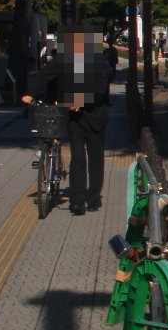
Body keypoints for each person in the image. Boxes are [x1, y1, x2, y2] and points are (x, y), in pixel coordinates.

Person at [21, 25, 110, 216]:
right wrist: (29, 93)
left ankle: (93, 198)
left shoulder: (97, 60)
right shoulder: (63, 59)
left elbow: (101, 88)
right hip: (73, 117)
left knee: (96, 158)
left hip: (95, 115)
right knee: (77, 157)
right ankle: (77, 201)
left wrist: (82, 100)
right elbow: (44, 75)